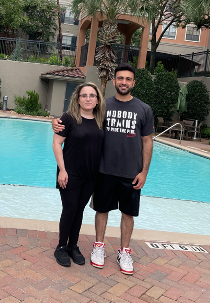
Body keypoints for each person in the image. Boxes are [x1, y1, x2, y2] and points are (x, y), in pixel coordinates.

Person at [52, 63, 154, 275]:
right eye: (120, 78)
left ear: (133, 83)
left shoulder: (144, 109)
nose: (123, 82)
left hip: (129, 172)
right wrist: (55, 122)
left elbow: (147, 141)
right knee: (101, 210)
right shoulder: (104, 107)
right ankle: (97, 247)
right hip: (104, 171)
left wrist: (144, 172)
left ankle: (124, 251)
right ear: (114, 81)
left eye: (128, 79)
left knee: (127, 213)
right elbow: (75, 119)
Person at [52, 82, 106, 267]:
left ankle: (72, 246)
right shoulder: (69, 118)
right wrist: (62, 170)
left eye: (92, 95)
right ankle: (61, 247)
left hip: (90, 176)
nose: (88, 99)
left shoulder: (101, 120)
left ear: (97, 100)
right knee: (69, 209)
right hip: (70, 174)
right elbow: (57, 143)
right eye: (84, 95)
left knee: (79, 210)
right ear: (78, 98)